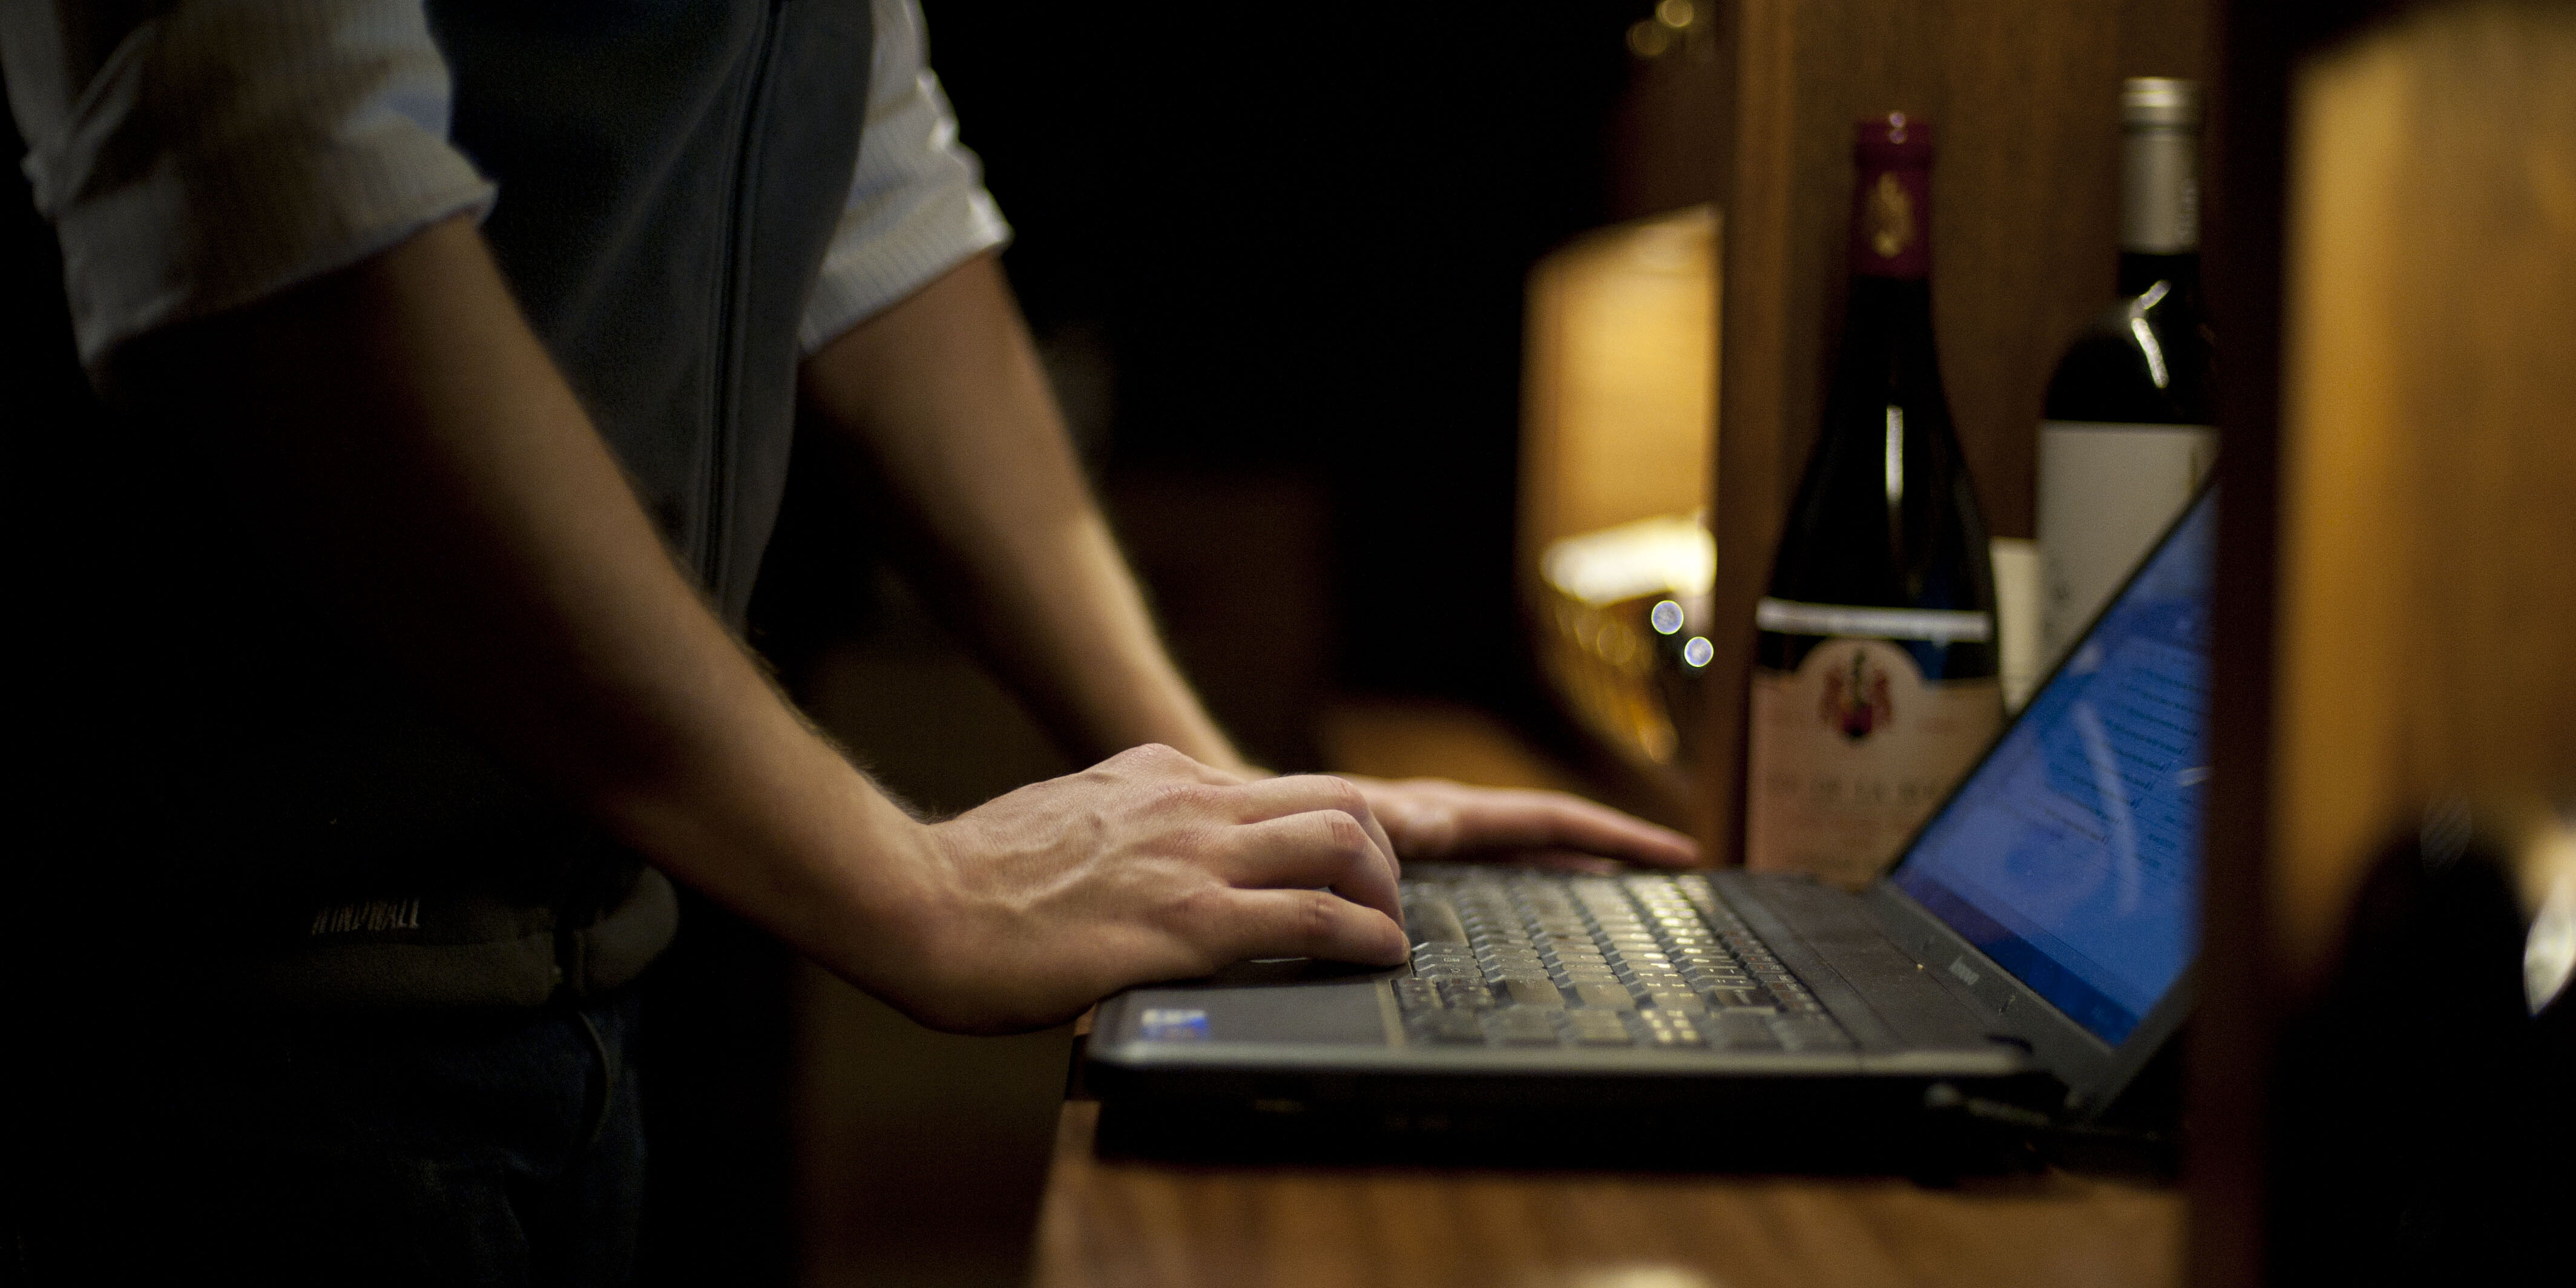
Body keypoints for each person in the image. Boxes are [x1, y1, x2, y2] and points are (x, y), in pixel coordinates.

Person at [0, 1, 1693, 1282]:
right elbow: (264, 174)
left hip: (569, 981)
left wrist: (1241, 808)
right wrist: (921, 885)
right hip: (218, 1018)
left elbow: (876, 199)